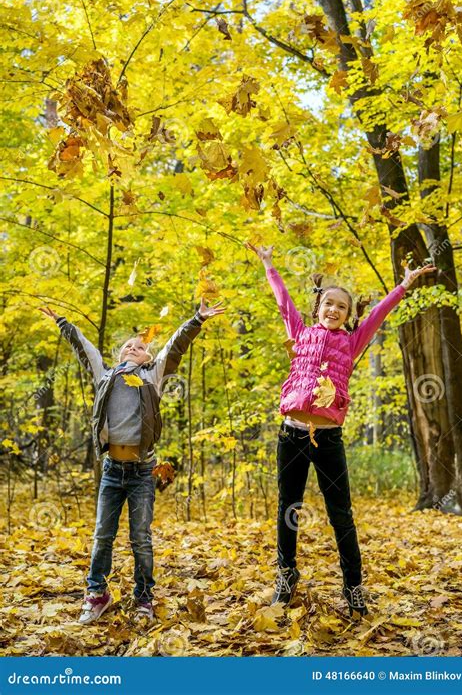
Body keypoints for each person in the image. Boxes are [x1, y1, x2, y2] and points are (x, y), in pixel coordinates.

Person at [245, 242, 436, 617]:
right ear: (317, 308)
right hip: (292, 434)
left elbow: (379, 315)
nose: (334, 309)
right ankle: (286, 577)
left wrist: (404, 286)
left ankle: (353, 587)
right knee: (289, 507)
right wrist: (269, 263)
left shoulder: (352, 342)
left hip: (328, 438)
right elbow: (283, 301)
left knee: (341, 513)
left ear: (348, 315)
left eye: (342, 307)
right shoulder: (300, 333)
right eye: (328, 304)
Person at [39, 296, 226, 624]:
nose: (132, 348)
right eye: (127, 346)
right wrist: (63, 323)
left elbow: (175, 346)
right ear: (118, 355)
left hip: (142, 473)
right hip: (112, 471)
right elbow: (85, 349)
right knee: (102, 535)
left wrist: (197, 318)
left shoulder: (153, 376)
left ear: (149, 357)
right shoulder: (106, 377)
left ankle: (143, 598)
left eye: (139, 347)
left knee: (141, 537)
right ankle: (97, 593)